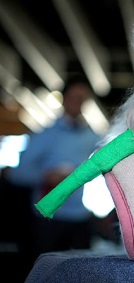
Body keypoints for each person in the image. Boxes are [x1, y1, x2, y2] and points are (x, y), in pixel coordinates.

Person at [3, 75, 101, 265]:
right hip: (48, 218)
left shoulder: (91, 136)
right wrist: (46, 176)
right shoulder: (45, 135)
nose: (77, 102)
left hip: (79, 216)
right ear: (63, 98)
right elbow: (17, 174)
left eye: (82, 99)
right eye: (74, 97)